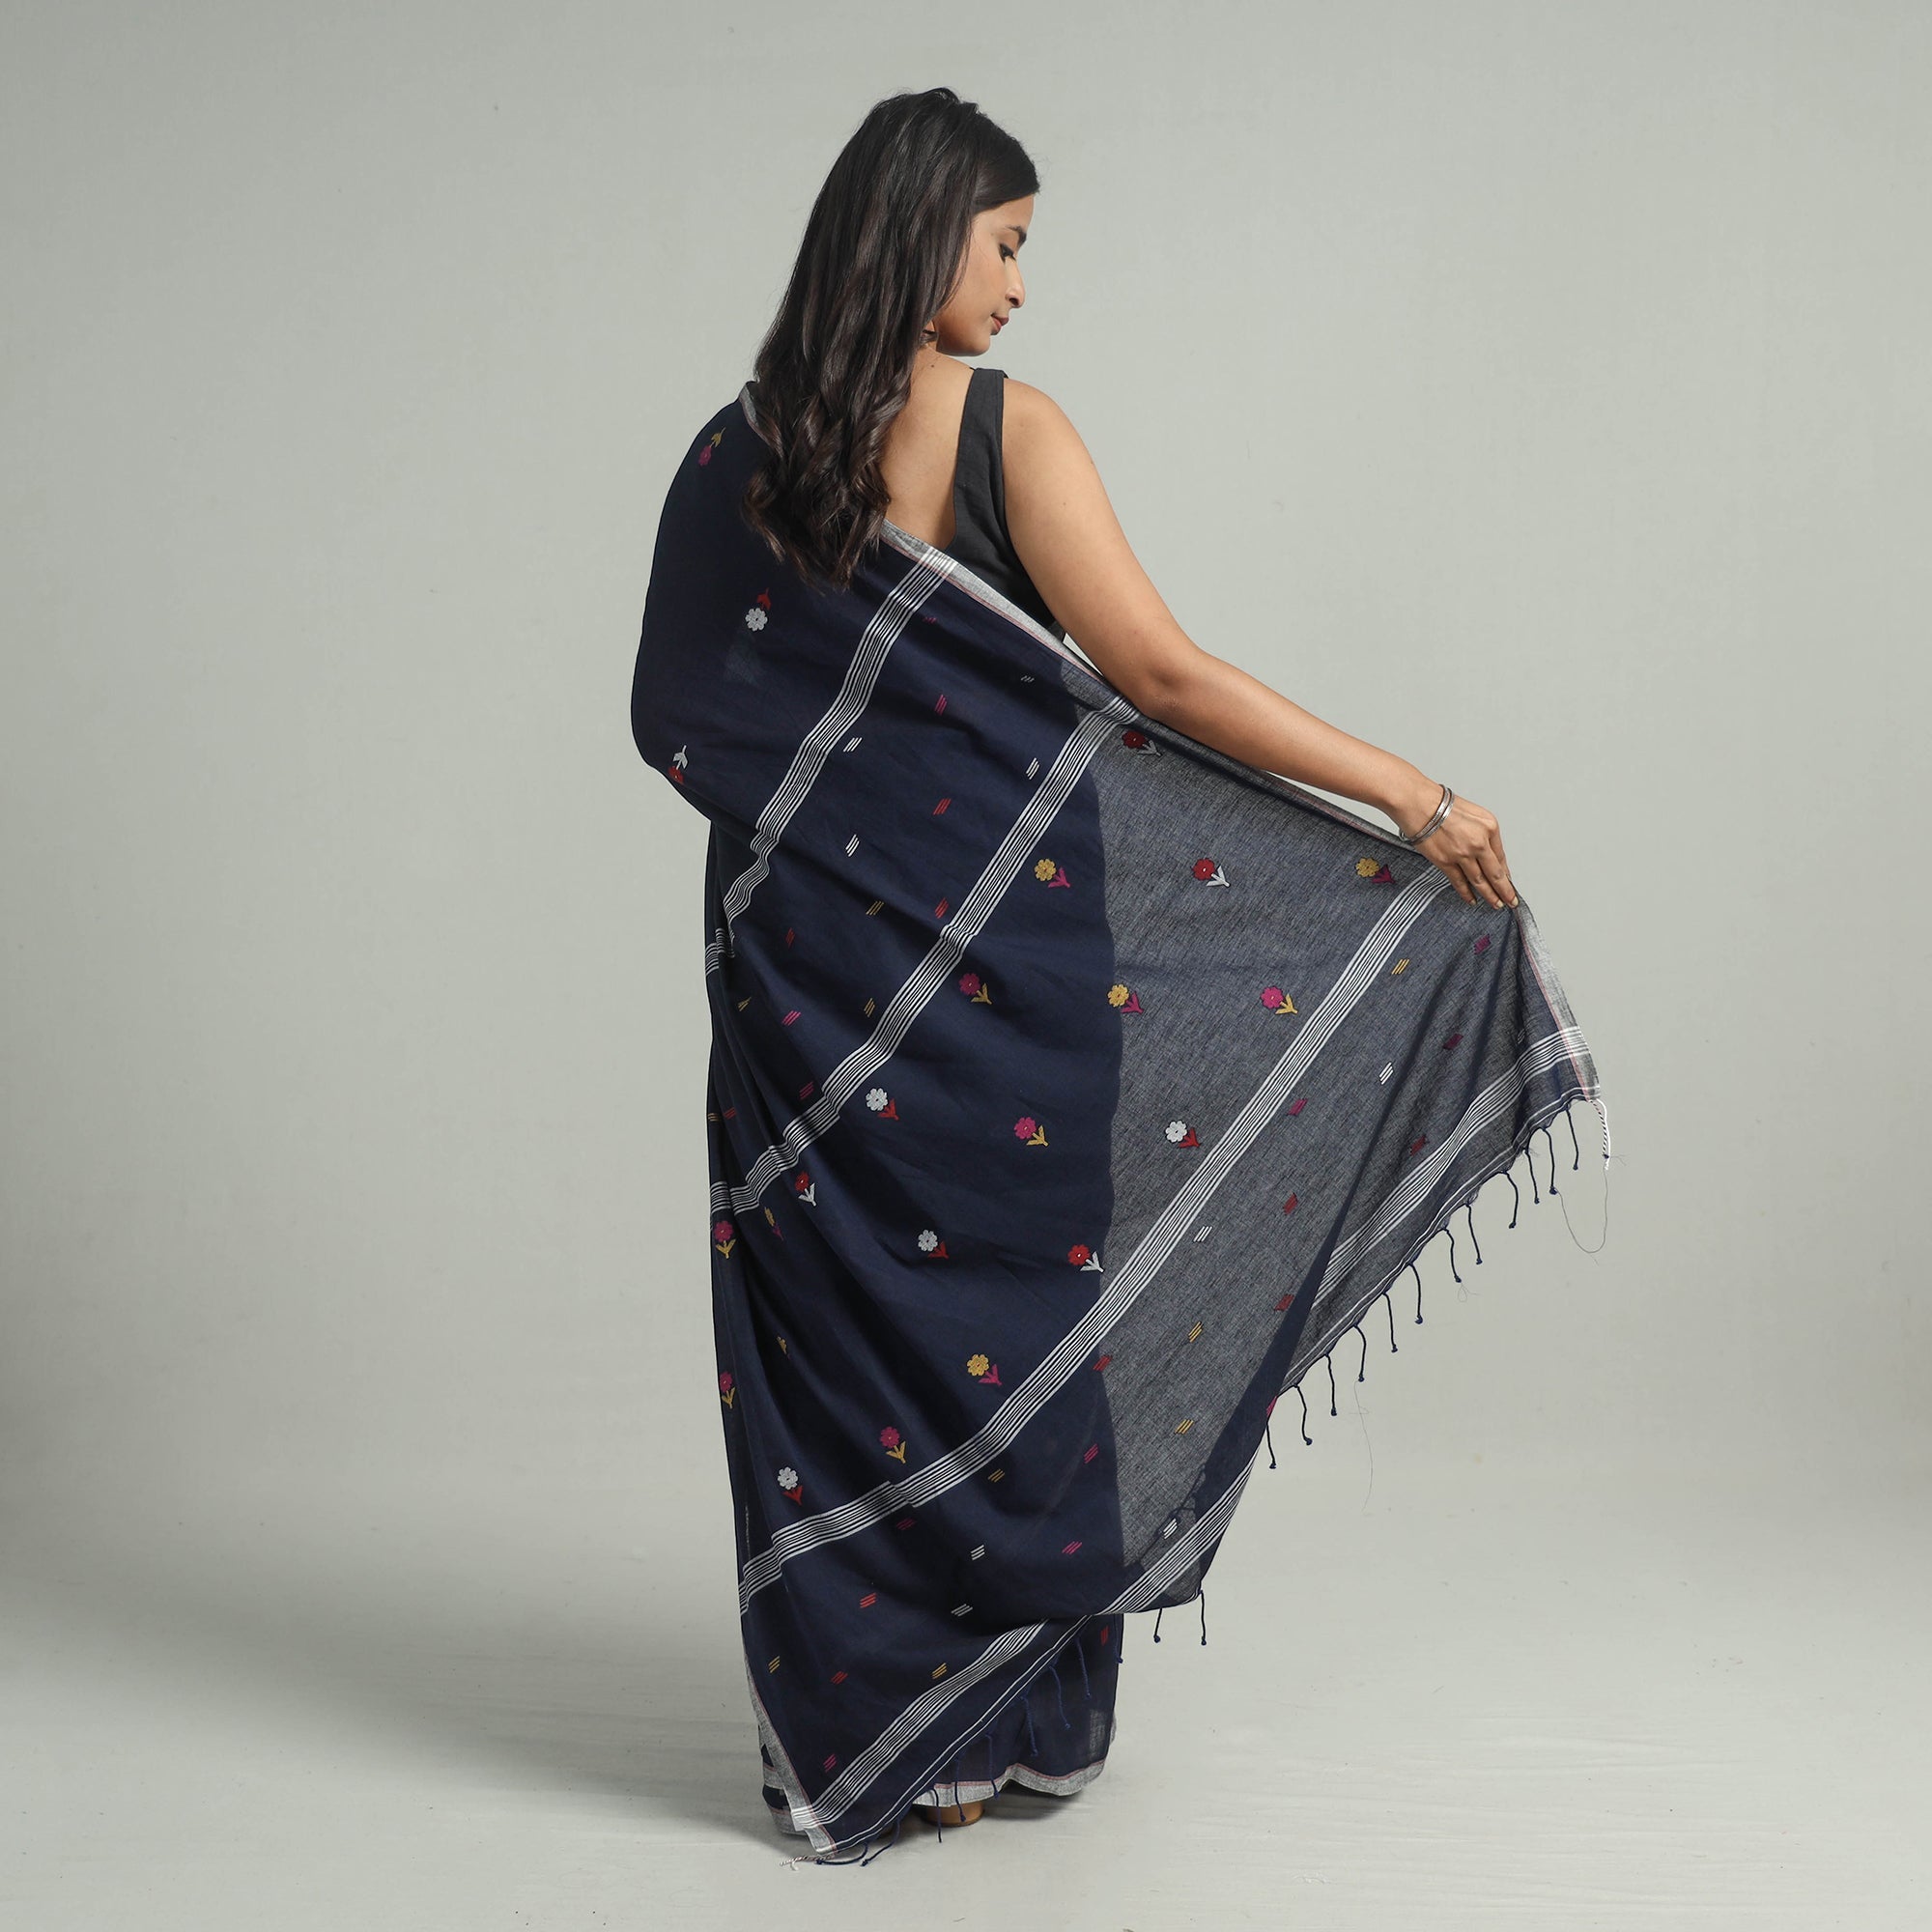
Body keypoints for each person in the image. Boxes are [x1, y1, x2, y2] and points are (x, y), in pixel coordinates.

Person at [630, 86, 1605, 1866]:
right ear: (922, 231)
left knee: (852, 1339)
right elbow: (1159, 675)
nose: (1020, 284)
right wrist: (1410, 795)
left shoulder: (737, 452)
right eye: (1006, 244)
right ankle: (1019, 1730)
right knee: (1028, 1321)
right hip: (1015, 976)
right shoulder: (1005, 428)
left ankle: (892, 1740)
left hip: (812, 986)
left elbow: (684, 719)